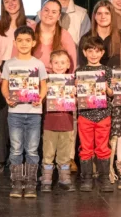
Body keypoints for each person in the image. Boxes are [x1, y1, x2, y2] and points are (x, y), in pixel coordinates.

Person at [0, 0, 35, 173]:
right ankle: (1, 158)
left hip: (23, 74)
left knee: (23, 117)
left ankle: (21, 158)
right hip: (2, 73)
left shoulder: (30, 24)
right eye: (6, 1)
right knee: (1, 119)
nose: (11, 4)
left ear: (20, 1)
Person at [1, 25, 47, 198]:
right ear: (14, 42)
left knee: (33, 149)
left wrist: (40, 98)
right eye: (20, 41)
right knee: (16, 149)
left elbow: (44, 85)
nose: (24, 44)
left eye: (28, 40)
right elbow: (5, 86)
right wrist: (7, 97)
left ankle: (31, 184)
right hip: (15, 113)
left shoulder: (38, 64)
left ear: (34, 42)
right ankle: (17, 182)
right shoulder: (10, 64)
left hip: (34, 113)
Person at [75, 36, 114, 192]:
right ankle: (86, 179)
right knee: (85, 147)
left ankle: (104, 178)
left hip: (103, 114)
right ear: (84, 53)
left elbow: (113, 94)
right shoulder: (79, 71)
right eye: (90, 51)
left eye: (97, 51)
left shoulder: (107, 71)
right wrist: (76, 87)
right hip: (85, 115)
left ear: (102, 53)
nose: (93, 54)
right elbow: (74, 97)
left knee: (103, 147)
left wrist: (106, 87)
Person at [40, 50, 76, 192]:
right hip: (50, 122)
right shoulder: (47, 80)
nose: (59, 65)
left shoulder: (72, 81)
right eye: (56, 62)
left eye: (63, 62)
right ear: (50, 64)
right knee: (48, 152)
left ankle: (64, 177)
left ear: (68, 64)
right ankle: (47, 178)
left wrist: (75, 94)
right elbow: (40, 99)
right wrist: (46, 91)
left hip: (66, 123)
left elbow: (81, 101)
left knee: (64, 152)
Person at [33, 0, 77, 72]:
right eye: (46, 10)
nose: (49, 14)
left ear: (59, 16)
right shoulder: (29, 31)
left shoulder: (65, 35)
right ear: (40, 12)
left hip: (56, 80)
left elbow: (72, 64)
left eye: (54, 12)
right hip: (32, 77)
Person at [77, 0, 121, 67]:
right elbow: (82, 65)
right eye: (99, 13)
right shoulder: (85, 39)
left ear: (112, 16)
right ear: (95, 16)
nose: (103, 17)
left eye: (107, 13)